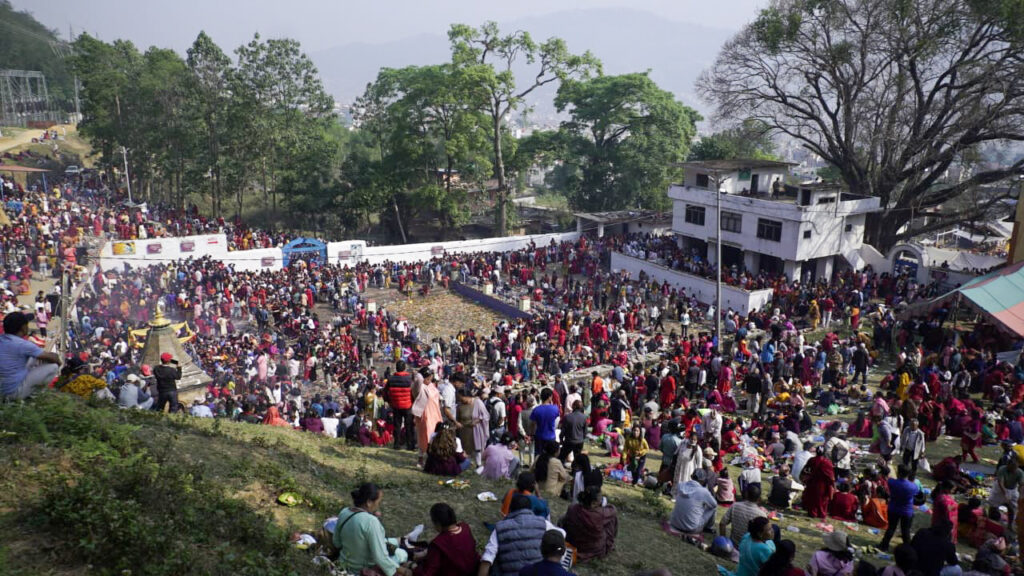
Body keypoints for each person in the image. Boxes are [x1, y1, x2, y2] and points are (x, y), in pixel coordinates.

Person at [333, 483, 412, 576]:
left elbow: (336, 542)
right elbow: (380, 558)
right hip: (361, 570)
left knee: (392, 547)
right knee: (402, 554)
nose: (378, 506)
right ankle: (405, 543)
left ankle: (402, 540)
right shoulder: (371, 522)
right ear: (369, 502)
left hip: (343, 564)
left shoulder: (344, 512)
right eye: (378, 502)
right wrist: (403, 572)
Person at [480, 494, 561, 576]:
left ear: (510, 510)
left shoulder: (500, 527)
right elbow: (562, 533)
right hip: (537, 572)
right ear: (530, 508)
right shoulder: (543, 523)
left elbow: (487, 558)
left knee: (496, 560)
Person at [0, 311, 61, 401]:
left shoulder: (2, 339)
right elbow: (54, 359)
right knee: (53, 366)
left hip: (3, 389)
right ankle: (35, 395)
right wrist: (58, 360)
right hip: (13, 393)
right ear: (23, 327)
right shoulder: (23, 344)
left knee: (34, 357)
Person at [411, 503, 479, 576]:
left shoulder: (438, 544)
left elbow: (428, 573)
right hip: (473, 570)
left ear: (438, 523)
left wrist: (412, 566)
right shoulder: (465, 528)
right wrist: (425, 554)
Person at [560, 485, 617, 563]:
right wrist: (605, 505)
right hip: (592, 548)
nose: (601, 501)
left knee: (565, 517)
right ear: (593, 503)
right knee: (612, 518)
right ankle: (609, 545)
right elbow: (613, 510)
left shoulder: (572, 508)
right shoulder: (600, 514)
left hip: (573, 542)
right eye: (600, 499)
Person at [879, 465, 919, 551]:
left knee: (891, 528)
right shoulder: (914, 486)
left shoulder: (892, 482)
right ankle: (908, 548)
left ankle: (884, 546)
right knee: (905, 530)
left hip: (893, 508)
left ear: (899, 473)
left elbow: (887, 477)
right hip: (907, 511)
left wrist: (883, 467)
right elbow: (917, 494)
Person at [670, 469, 718, 534]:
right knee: (713, 508)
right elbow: (714, 504)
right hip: (691, 528)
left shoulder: (681, 485)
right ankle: (709, 528)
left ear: (692, 477)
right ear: (703, 480)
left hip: (674, 523)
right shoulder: (703, 491)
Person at [413, 368, 442, 467]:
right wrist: (420, 373)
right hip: (424, 415)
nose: (430, 381)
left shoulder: (430, 386)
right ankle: (421, 459)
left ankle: (432, 459)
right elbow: (418, 379)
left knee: (434, 436)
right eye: (428, 378)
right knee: (423, 436)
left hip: (435, 414)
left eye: (431, 379)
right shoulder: (419, 387)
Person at [385, 360, 415, 451]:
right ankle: (410, 445)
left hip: (396, 405)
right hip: (408, 406)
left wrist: (389, 401)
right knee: (409, 426)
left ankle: (396, 445)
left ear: (396, 368)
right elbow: (413, 392)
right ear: (404, 368)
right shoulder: (410, 379)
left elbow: (385, 392)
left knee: (397, 426)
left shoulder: (391, 379)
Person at [989, 458, 1023, 531]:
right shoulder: (1002, 469)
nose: (1013, 469)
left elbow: (1021, 484)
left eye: (1015, 468)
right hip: (999, 489)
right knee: (993, 505)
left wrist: (1020, 494)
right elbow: (1001, 482)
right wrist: (1005, 493)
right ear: (1008, 465)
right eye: (1012, 467)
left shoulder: (1020, 472)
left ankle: (1010, 525)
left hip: (1012, 489)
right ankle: (991, 521)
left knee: (1012, 508)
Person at [801, 446, 836, 519]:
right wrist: (833, 484)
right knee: (822, 499)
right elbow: (830, 476)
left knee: (812, 497)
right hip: (823, 484)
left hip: (812, 482)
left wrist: (805, 479)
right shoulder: (827, 462)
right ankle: (821, 513)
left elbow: (806, 470)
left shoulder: (812, 460)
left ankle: (812, 513)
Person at [529, 388, 560, 455]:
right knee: (550, 456)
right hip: (551, 436)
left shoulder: (536, 410)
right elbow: (557, 420)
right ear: (550, 397)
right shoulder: (555, 408)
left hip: (539, 436)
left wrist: (531, 435)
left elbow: (532, 425)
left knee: (539, 457)